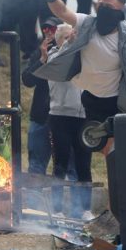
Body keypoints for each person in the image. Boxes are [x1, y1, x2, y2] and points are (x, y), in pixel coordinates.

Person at [32, 0, 126, 151]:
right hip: (90, 97)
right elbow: (63, 12)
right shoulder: (86, 23)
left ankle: (123, 175)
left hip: (117, 99)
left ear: (119, 14)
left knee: (121, 147)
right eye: (101, 5)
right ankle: (114, 174)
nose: (103, 9)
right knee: (102, 147)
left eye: (109, 7)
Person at [45, 24, 92, 220]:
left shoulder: (84, 57)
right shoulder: (53, 56)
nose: (69, 40)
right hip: (60, 116)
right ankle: (57, 209)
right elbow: (60, 65)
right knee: (60, 164)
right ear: (57, 40)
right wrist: (68, 45)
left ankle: (85, 208)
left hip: (82, 117)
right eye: (64, 37)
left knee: (84, 165)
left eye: (71, 37)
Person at [22, 17, 63, 176]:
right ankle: (34, 201)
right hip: (40, 117)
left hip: (63, 117)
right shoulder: (39, 52)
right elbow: (27, 80)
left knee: (61, 167)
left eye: (51, 29)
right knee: (36, 167)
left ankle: (62, 200)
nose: (46, 31)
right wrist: (42, 59)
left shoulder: (71, 52)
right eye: (44, 28)